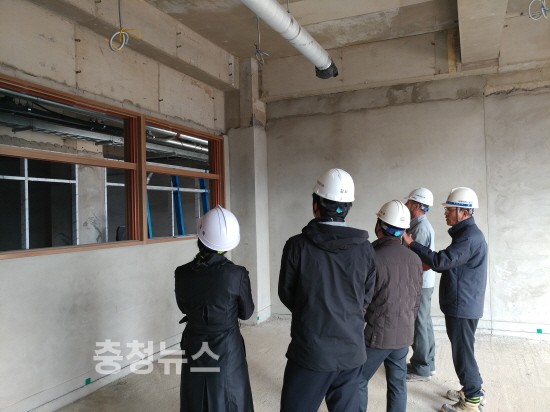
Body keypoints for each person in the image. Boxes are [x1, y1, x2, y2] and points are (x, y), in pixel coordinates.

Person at [278, 168, 377, 412]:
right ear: (348, 207)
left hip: (311, 351)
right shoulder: (365, 249)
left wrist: (311, 309)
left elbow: (286, 293)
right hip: (351, 352)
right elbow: (366, 296)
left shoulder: (297, 246)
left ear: (316, 205)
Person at [402, 187, 488, 412]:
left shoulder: (468, 238)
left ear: (464, 212)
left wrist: (412, 244)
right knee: (465, 350)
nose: (445, 213)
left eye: (450, 210)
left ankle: (471, 400)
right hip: (465, 302)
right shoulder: (467, 235)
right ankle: (473, 390)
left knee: (462, 353)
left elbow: (441, 261)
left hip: (463, 305)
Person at [174, 205, 255, 412]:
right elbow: (247, 313)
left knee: (196, 393)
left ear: (200, 239)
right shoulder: (237, 274)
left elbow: (183, 307)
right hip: (227, 345)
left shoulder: (182, 273)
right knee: (230, 395)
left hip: (195, 342)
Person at [358, 200, 423, 412]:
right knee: (397, 384)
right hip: (404, 334)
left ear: (379, 225)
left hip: (377, 335)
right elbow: (416, 300)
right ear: (403, 231)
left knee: (357, 380)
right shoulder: (415, 259)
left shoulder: (372, 257)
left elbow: (362, 301)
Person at [404, 188, 437, 382]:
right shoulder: (417, 225)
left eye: (409, 202)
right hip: (423, 283)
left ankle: (421, 368)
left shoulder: (421, 228)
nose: (406, 205)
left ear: (416, 205)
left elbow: (423, 263)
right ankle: (428, 364)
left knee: (419, 324)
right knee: (424, 322)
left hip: (420, 283)